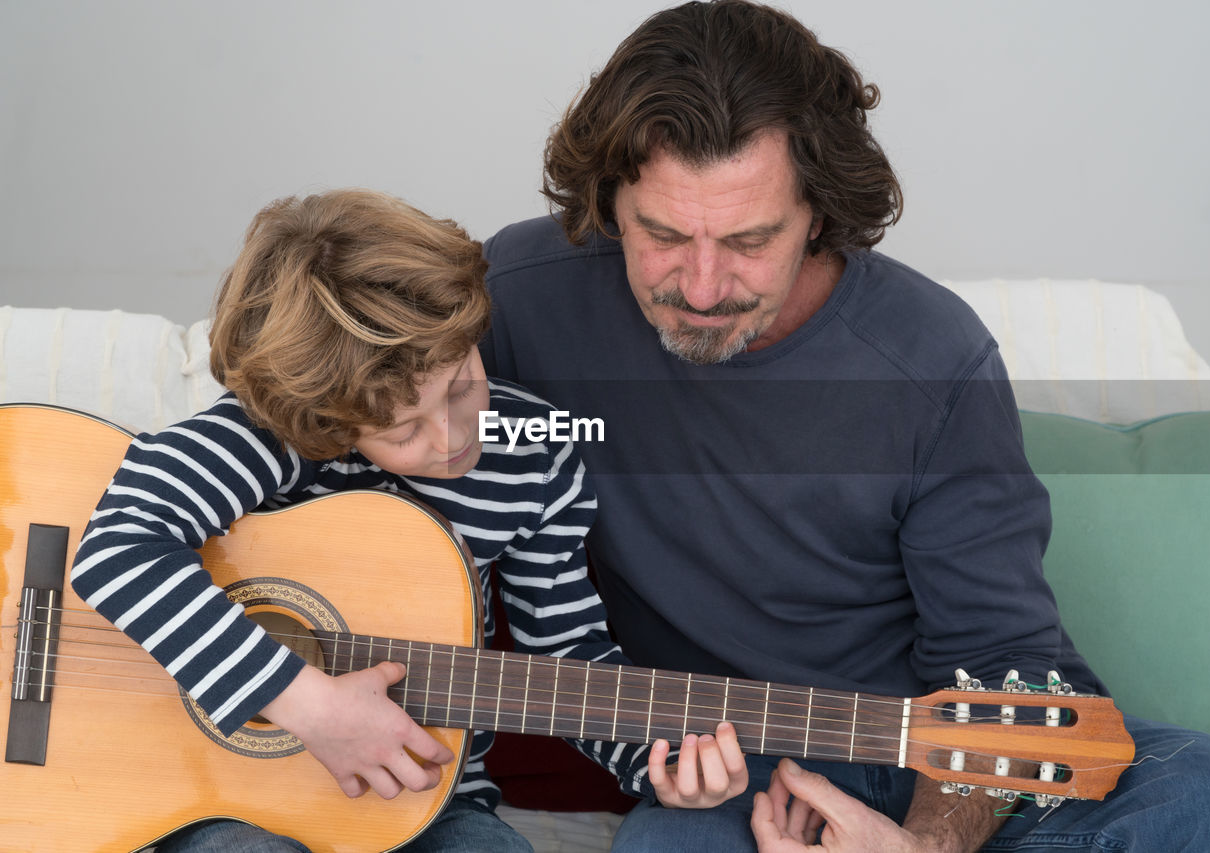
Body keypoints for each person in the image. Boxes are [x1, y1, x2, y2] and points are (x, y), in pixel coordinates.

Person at [478, 2, 1210, 851]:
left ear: (819, 212)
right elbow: (344, 420)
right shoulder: (524, 300)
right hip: (738, 767)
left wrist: (923, 845)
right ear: (611, 202)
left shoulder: (932, 357)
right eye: (664, 235)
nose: (703, 287)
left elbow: (1006, 667)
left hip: (956, 758)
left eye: (750, 240)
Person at [69, 188, 746, 853]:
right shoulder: (279, 428)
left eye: (461, 386)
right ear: (330, 420)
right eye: (402, 429)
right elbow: (116, 548)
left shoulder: (532, 459)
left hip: (430, 801)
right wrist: (309, 704)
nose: (452, 435)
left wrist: (657, 766)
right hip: (232, 802)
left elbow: (567, 653)